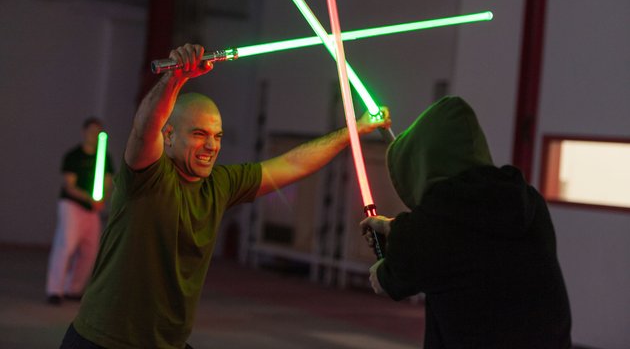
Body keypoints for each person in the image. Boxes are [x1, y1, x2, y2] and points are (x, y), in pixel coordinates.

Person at [60, 43, 391, 348]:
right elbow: (144, 128)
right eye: (199, 134)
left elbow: (291, 164)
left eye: (217, 136)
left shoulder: (221, 184)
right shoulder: (148, 177)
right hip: (103, 342)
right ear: (170, 136)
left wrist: (356, 129)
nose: (211, 145)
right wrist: (175, 79)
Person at [360, 96, 572, 348]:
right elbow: (469, 240)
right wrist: (396, 229)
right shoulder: (528, 201)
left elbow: (384, 281)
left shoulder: (426, 230)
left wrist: (393, 247)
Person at [46, 117, 114, 305]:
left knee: (90, 249)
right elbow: (69, 186)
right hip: (72, 205)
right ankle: (55, 290)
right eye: (91, 131)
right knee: (66, 244)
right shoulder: (73, 156)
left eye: (98, 132)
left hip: (92, 209)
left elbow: (108, 181)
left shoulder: (104, 157)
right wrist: (90, 198)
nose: (94, 135)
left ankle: (74, 289)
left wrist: (101, 199)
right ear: (84, 132)